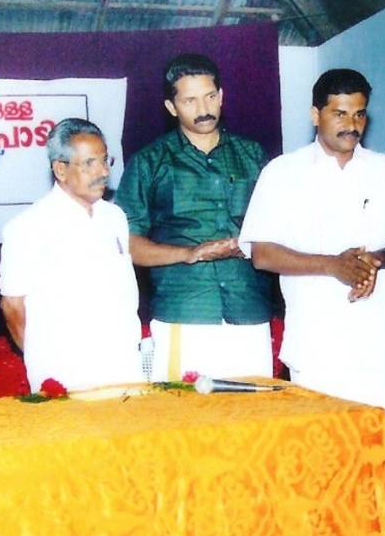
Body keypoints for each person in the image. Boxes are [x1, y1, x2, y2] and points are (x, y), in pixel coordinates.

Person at [239, 68, 385, 421]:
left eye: (359, 114)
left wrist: (374, 260)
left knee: (379, 445)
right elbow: (262, 254)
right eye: (339, 114)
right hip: (315, 347)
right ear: (316, 115)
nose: (351, 125)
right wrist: (332, 265)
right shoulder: (282, 173)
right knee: (319, 447)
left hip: (377, 345)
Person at [115, 54, 272, 382]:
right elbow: (127, 244)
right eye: (190, 100)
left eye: (210, 96)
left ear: (221, 96)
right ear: (171, 107)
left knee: (257, 411)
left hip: (249, 311)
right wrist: (191, 253)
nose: (203, 109)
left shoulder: (253, 155)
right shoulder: (149, 162)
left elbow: (278, 228)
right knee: (185, 412)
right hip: (185, 313)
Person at [0, 118, 142, 391]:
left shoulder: (115, 217)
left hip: (124, 365)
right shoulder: (27, 227)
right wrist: (42, 360)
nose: (103, 171)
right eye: (90, 163)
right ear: (60, 169)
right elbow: (13, 308)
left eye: (105, 160)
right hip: (65, 374)